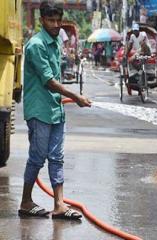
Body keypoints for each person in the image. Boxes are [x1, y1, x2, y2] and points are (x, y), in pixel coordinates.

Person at [19, 1, 91, 220]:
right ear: (42, 20)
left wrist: (65, 98)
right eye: (51, 20)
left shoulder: (55, 42)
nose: (55, 24)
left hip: (55, 109)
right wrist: (75, 96)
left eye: (58, 20)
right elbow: (49, 81)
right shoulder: (36, 45)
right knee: (37, 158)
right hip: (39, 110)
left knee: (57, 157)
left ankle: (59, 205)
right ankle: (25, 202)